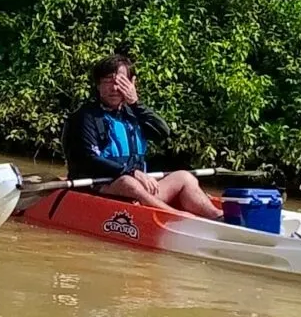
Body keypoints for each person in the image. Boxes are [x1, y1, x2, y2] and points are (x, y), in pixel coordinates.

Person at [62, 55, 222, 217]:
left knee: (185, 177)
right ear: (98, 85)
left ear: (132, 83)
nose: (115, 88)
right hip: (101, 186)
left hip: (141, 188)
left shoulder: (133, 113)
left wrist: (136, 104)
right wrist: (129, 171)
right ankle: (177, 216)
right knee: (127, 182)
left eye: (121, 82)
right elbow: (87, 159)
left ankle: (217, 216)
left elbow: (162, 132)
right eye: (108, 82)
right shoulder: (84, 117)